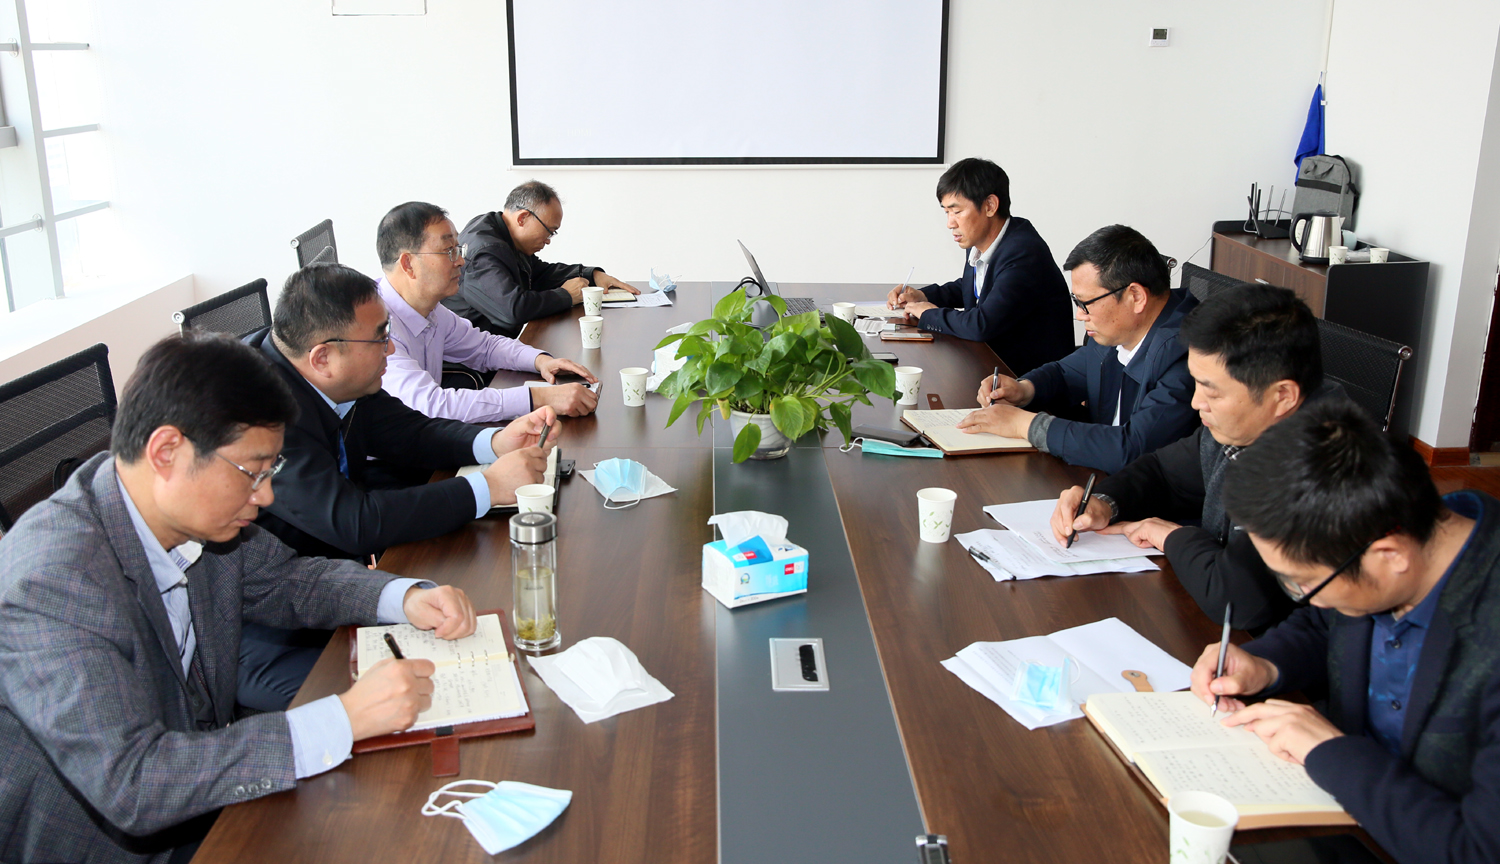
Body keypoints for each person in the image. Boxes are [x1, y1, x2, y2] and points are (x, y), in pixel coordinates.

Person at [0, 333, 478, 863]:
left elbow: (289, 579)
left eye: (271, 472)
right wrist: (343, 718)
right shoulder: (51, 583)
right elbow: (134, 782)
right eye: (252, 472)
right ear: (166, 452)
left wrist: (401, 595)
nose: (266, 495)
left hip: (213, 784)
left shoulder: (186, 515)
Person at [1188, 400, 1496, 864]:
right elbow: (1329, 622)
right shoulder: (1386, 533)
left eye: (1304, 582)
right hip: (1335, 819)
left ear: (1390, 555)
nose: (1305, 597)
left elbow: (1478, 851)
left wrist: (1328, 751)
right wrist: (1265, 663)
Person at [243, 263, 552, 711]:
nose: (391, 347)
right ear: (322, 358)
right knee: (428, 699)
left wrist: (494, 442)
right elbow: (352, 522)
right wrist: (486, 487)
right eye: (379, 337)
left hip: (336, 586)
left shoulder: (332, 376)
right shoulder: (260, 412)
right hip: (271, 627)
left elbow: (409, 431)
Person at [1050, 284, 1336, 632]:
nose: (1196, 402)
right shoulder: (1242, 422)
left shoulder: (1319, 460)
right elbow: (1163, 471)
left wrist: (1171, 537)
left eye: (1212, 391)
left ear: (1283, 396)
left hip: (1271, 651)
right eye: (1196, 383)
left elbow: (1238, 601)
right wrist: (1104, 503)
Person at [955, 224, 1199, 473]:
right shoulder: (1120, 329)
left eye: (1085, 303)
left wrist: (1025, 425)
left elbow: (1132, 449)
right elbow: (1066, 372)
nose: (1080, 315)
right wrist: (1024, 389)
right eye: (1076, 302)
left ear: (1135, 296)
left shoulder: (1188, 354)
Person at [376, 201, 599, 423]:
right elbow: (432, 405)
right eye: (448, 251)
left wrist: (540, 360)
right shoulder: (376, 326)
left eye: (458, 249)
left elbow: (485, 347)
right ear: (408, 264)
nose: (460, 261)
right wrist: (537, 398)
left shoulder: (433, 311)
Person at [884, 157, 1073, 376]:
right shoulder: (983, 240)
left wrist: (929, 314)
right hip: (990, 365)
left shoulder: (1023, 253)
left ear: (990, 206)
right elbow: (973, 286)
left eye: (956, 211)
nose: (950, 223)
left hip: (1028, 379)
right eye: (946, 212)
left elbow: (982, 325)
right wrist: (923, 296)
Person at [444, 180, 638, 338]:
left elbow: (539, 274)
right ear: (522, 218)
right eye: (549, 231)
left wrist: (592, 274)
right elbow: (512, 310)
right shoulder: (485, 251)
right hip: (471, 362)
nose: (548, 240)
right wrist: (566, 295)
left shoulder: (501, 231)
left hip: (493, 348)